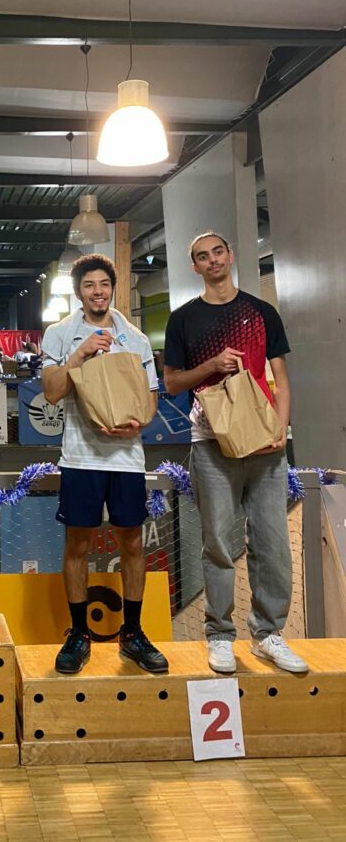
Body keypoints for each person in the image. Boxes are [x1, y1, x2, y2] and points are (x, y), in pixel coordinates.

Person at [164, 231, 307, 674]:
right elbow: (171, 382)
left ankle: (268, 634)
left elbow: (282, 379)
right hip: (210, 444)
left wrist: (280, 427)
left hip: (265, 445)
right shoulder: (183, 320)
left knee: (272, 542)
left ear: (229, 256)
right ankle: (220, 636)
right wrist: (210, 366)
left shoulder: (262, 312)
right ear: (195, 267)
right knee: (218, 545)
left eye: (218, 252)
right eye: (202, 256)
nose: (212, 260)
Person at [42, 254, 168, 675]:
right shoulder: (60, 333)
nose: (98, 291)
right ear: (78, 292)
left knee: (132, 543)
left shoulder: (135, 337)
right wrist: (79, 354)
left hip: (127, 458)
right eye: (89, 285)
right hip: (81, 456)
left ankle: (132, 633)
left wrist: (138, 421)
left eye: (104, 284)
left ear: (113, 288)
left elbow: (151, 397)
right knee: (78, 544)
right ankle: (79, 633)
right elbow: (52, 392)